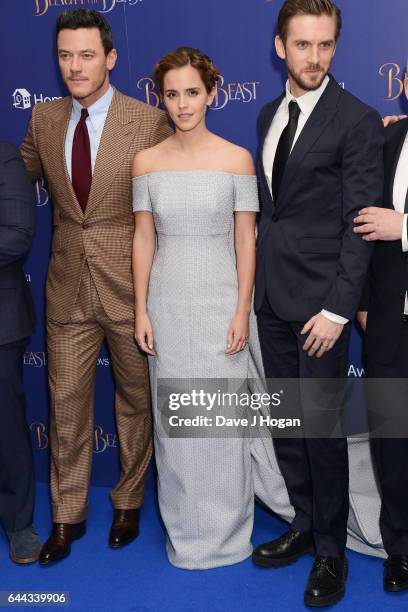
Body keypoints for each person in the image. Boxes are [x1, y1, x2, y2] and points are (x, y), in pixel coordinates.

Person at [20, 9, 172, 566]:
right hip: (64, 287)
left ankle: (129, 503)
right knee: (64, 406)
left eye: (87, 55)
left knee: (135, 402)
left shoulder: (148, 121)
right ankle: (66, 516)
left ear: (110, 58)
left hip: (131, 288)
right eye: (65, 55)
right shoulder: (43, 119)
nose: (74, 67)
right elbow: (21, 179)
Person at [252, 0, 384, 606]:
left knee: (322, 430)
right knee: (287, 424)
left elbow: (360, 223)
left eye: (325, 45)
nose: (314, 57)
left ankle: (331, 551)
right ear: (281, 46)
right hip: (272, 299)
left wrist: (336, 310)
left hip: (321, 309)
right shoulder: (266, 115)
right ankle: (304, 524)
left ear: (335, 47)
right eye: (303, 45)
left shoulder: (356, 119)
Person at [132, 47, 260, 569]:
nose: (182, 104)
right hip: (168, 303)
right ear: (160, 98)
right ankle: (185, 531)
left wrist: (240, 310)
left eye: (192, 92)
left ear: (212, 93)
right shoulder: (146, 162)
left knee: (223, 423)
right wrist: (140, 309)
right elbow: (143, 239)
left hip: (221, 301)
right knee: (176, 424)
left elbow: (247, 242)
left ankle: (230, 532)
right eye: (172, 94)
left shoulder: (236, 159)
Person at [355, 116, 408, 593]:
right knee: (393, 441)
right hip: (388, 324)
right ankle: (401, 550)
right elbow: (360, 222)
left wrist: (405, 227)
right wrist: (365, 304)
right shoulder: (386, 137)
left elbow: (390, 225)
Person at [0, 142, 39, 564]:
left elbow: (16, 234)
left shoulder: (4, 157)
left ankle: (18, 521)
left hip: (1, 319)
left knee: (5, 427)